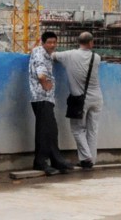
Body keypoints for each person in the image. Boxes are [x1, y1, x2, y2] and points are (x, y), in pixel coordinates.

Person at [54, 31, 103, 169]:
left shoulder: (69, 55)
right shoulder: (96, 57)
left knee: (77, 129)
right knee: (92, 130)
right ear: (91, 43)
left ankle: (86, 157)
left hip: (80, 99)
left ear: (78, 42)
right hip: (97, 97)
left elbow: (52, 56)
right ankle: (90, 160)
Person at [29, 31, 71, 175]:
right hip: (41, 97)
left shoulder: (47, 54)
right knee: (44, 131)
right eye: (49, 42)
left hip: (47, 98)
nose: (52, 45)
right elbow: (40, 71)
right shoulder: (39, 53)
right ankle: (40, 162)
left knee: (50, 130)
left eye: (54, 42)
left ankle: (56, 160)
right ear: (43, 42)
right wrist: (44, 82)